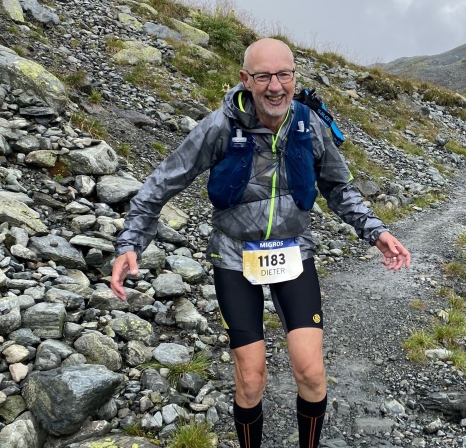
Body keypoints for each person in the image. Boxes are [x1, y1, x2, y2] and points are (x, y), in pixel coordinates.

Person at [109, 38, 411, 448]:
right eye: (264, 76)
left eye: (284, 75)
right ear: (246, 79)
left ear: (294, 77)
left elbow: (339, 188)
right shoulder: (220, 126)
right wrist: (130, 242)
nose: (275, 86)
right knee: (251, 379)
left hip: (293, 251)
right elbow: (162, 182)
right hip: (234, 256)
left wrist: (376, 231)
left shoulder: (308, 124)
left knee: (311, 373)